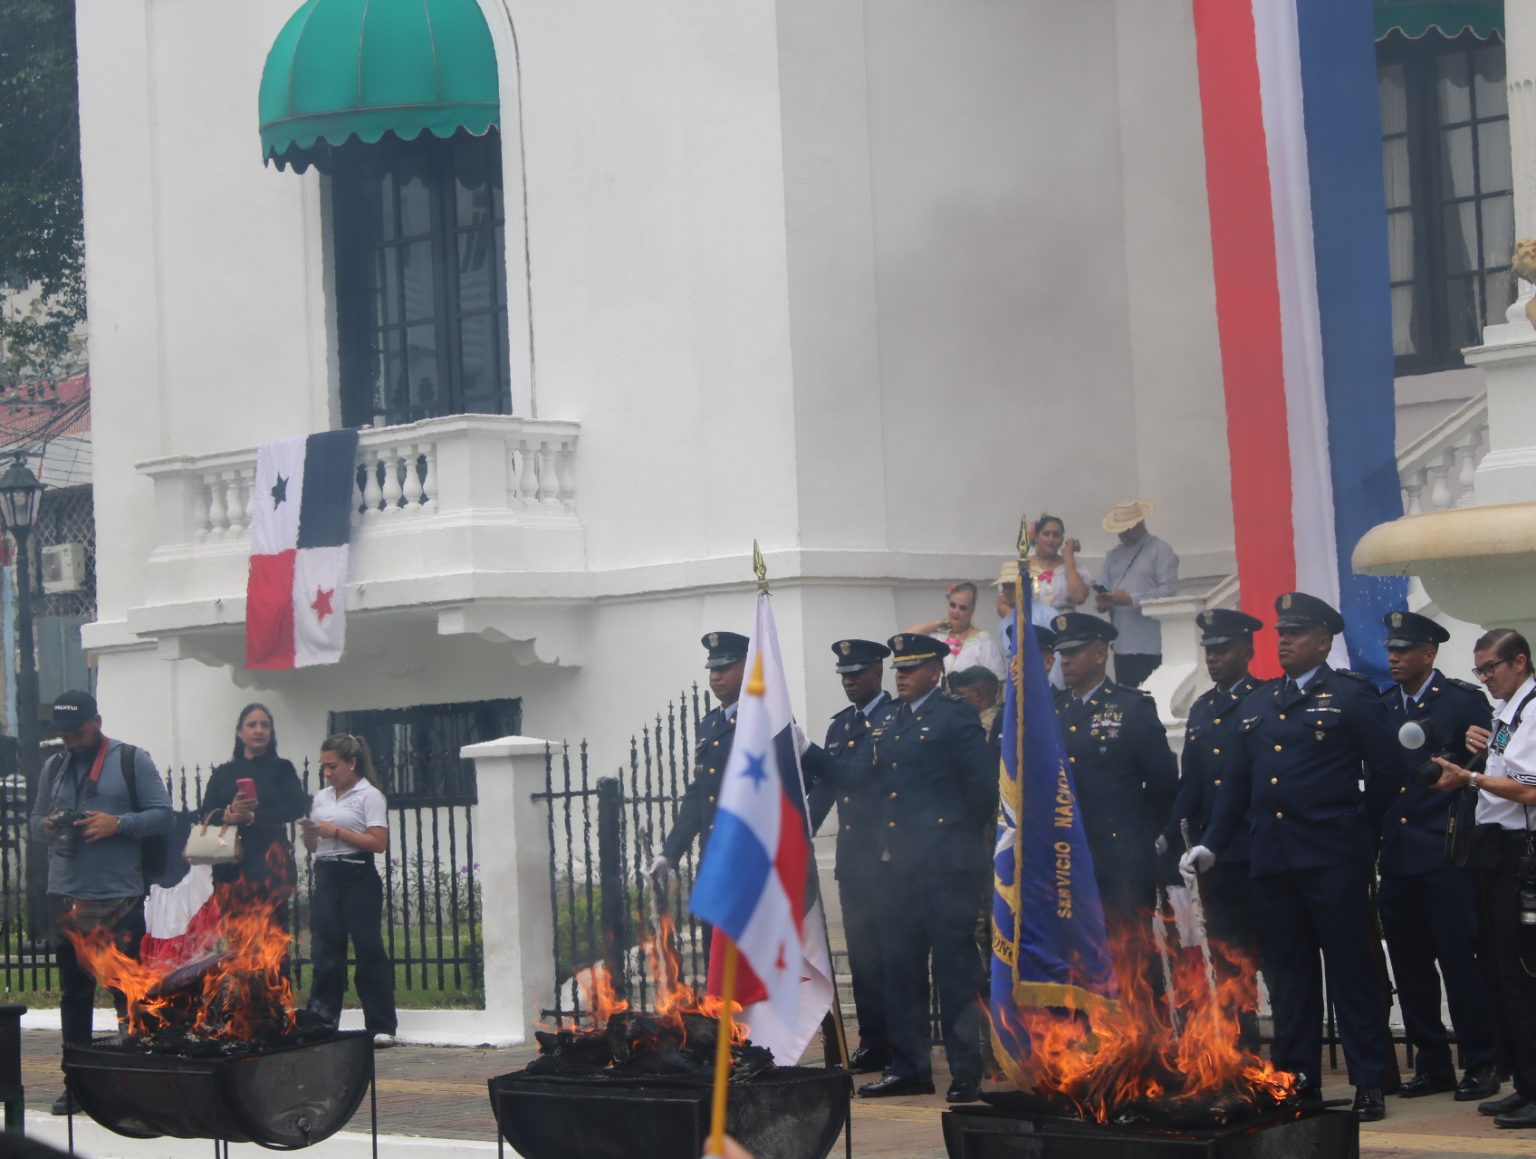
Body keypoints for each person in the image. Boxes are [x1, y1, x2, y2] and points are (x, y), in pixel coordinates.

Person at [1182, 593, 1408, 1122]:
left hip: (1333, 858)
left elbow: (1389, 768)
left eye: (1296, 633)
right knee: (1289, 978)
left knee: (1351, 972)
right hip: (1273, 862)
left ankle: (1368, 1080)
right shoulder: (1260, 702)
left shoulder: (1349, 695)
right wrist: (1213, 841)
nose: (1283, 641)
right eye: (1281, 633)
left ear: (1323, 642)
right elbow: (1237, 784)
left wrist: (1358, 823)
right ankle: (1297, 1079)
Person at [849, 634, 996, 1103]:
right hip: (898, 868)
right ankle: (909, 1067)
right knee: (901, 970)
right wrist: (806, 751)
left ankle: (966, 1069)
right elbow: (861, 779)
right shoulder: (890, 719)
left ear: (936, 671)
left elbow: (982, 789)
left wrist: (951, 841)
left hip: (946, 867)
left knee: (954, 971)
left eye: (911, 668)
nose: (902, 676)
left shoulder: (955, 716)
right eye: (899, 669)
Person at [30, 690, 174, 1115]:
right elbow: (35, 819)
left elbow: (164, 814)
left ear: (97, 721)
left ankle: (135, 1085)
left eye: (77, 732)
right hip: (66, 896)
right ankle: (77, 1084)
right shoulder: (54, 766)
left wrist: (118, 824)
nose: (71, 741)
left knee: (127, 993)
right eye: (64, 735)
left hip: (119, 897)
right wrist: (48, 826)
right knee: (74, 996)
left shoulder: (131, 760)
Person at [1375, 611, 1498, 1102]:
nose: (1394, 657)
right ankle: (1432, 1063)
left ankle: (1481, 1061)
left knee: (1459, 962)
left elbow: (1490, 759)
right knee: (1410, 966)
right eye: (1391, 649)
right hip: (1399, 852)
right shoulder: (1383, 704)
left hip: (1446, 850)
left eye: (1404, 649)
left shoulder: (1462, 700)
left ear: (1429, 654)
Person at [1427, 629, 1536, 1128]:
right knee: (1502, 973)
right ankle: (1525, 1084)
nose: (1485, 677)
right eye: (1480, 670)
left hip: (1521, 853)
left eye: (1491, 667)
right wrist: (1487, 746)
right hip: (1494, 852)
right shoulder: (1509, 710)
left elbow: (1529, 789)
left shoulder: (1532, 709)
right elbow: (1509, 764)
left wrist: (1468, 777)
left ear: (1519, 661)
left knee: (1523, 973)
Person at [1163, 608, 1265, 1045]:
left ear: (1247, 650)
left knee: (1269, 953)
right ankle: (1241, 1044)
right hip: (1213, 854)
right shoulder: (1203, 708)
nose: (1213, 658)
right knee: (1227, 954)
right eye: (1209, 650)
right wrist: (1169, 834)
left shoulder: (1263, 700)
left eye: (1223, 649)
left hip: (1256, 849)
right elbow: (1192, 784)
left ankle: (1284, 1049)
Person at [1051, 612, 1177, 931]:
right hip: (1066, 854)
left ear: (1100, 654)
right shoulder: (1053, 710)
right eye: (1062, 653)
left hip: (1121, 856)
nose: (1065, 660)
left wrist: (1139, 835)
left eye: (1074, 651)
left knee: (1128, 947)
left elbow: (1163, 781)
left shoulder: (1131, 708)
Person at [805, 639, 893, 1074]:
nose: (849, 681)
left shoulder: (892, 719)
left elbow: (856, 776)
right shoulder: (841, 726)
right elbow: (826, 787)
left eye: (857, 673)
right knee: (862, 957)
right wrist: (800, 828)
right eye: (844, 675)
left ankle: (901, 1044)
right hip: (854, 858)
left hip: (890, 859)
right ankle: (873, 1043)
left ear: (877, 672)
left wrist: (809, 752)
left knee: (892, 956)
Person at [302, 733, 397, 1047]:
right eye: (324, 767)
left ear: (352, 763)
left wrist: (337, 831)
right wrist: (310, 834)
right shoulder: (321, 798)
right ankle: (322, 1021)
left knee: (368, 947)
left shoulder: (369, 796)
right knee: (326, 949)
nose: (327, 773)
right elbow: (313, 846)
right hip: (326, 873)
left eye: (333, 766)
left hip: (357, 873)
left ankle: (381, 1025)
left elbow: (378, 843)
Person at [649, 631, 748, 878]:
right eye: (712, 669)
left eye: (724, 668)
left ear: (747, 668)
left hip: (752, 857)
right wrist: (670, 854)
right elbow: (700, 794)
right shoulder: (709, 725)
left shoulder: (765, 719)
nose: (715, 676)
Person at [199, 704, 310, 902]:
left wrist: (253, 816)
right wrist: (229, 814)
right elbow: (205, 811)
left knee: (272, 916)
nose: (259, 730)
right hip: (230, 859)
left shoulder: (283, 769)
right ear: (240, 732)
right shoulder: (224, 772)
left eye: (265, 725)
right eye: (252, 725)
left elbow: (296, 807)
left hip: (271, 857)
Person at [1096, 499, 1179, 688]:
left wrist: (1132, 600)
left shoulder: (1160, 549)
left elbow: (1169, 592)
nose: (1122, 533)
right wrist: (1103, 601)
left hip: (1150, 642)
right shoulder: (1113, 555)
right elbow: (1103, 586)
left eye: (1126, 528)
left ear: (1139, 524)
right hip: (1121, 642)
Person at [904, 583, 1005, 679]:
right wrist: (937, 624)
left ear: (972, 610)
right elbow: (904, 638)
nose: (956, 611)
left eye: (962, 608)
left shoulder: (984, 643)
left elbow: (997, 683)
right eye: (952, 605)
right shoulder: (939, 637)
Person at [1023, 515, 1092, 626]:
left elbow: (1079, 598)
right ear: (1035, 537)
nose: (1051, 539)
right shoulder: (1022, 567)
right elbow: (1004, 603)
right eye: (1046, 534)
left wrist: (1069, 560)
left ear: (1061, 540)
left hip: (1065, 628)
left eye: (1056, 535)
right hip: (1032, 628)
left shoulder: (1070, 567)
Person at [949, 666, 1001, 735]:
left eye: (961, 694)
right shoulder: (1004, 719)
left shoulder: (974, 727)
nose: (956, 699)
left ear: (978, 695)